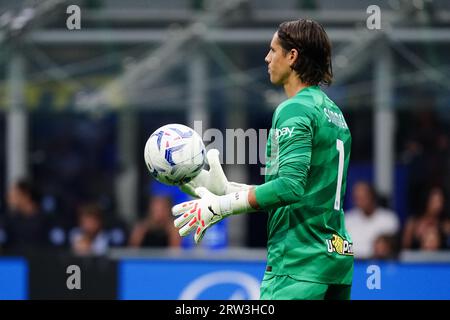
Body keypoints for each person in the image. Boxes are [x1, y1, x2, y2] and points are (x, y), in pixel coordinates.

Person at [173, 19, 353, 300]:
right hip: (335, 261)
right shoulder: (334, 113)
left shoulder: (295, 109)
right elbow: (300, 196)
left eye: (273, 50)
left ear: (292, 56)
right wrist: (227, 190)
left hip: (297, 264)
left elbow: (290, 187)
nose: (267, 58)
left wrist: (221, 207)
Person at [344, 181, 400, 259]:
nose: (360, 201)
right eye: (357, 198)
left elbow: (391, 248)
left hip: (381, 265)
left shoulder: (389, 219)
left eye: (363, 197)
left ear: (372, 196)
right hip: (353, 265)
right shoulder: (346, 219)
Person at [3, 180, 49, 253]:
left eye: (15, 195)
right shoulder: (10, 220)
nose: (9, 198)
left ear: (26, 195)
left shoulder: (46, 220)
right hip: (16, 261)